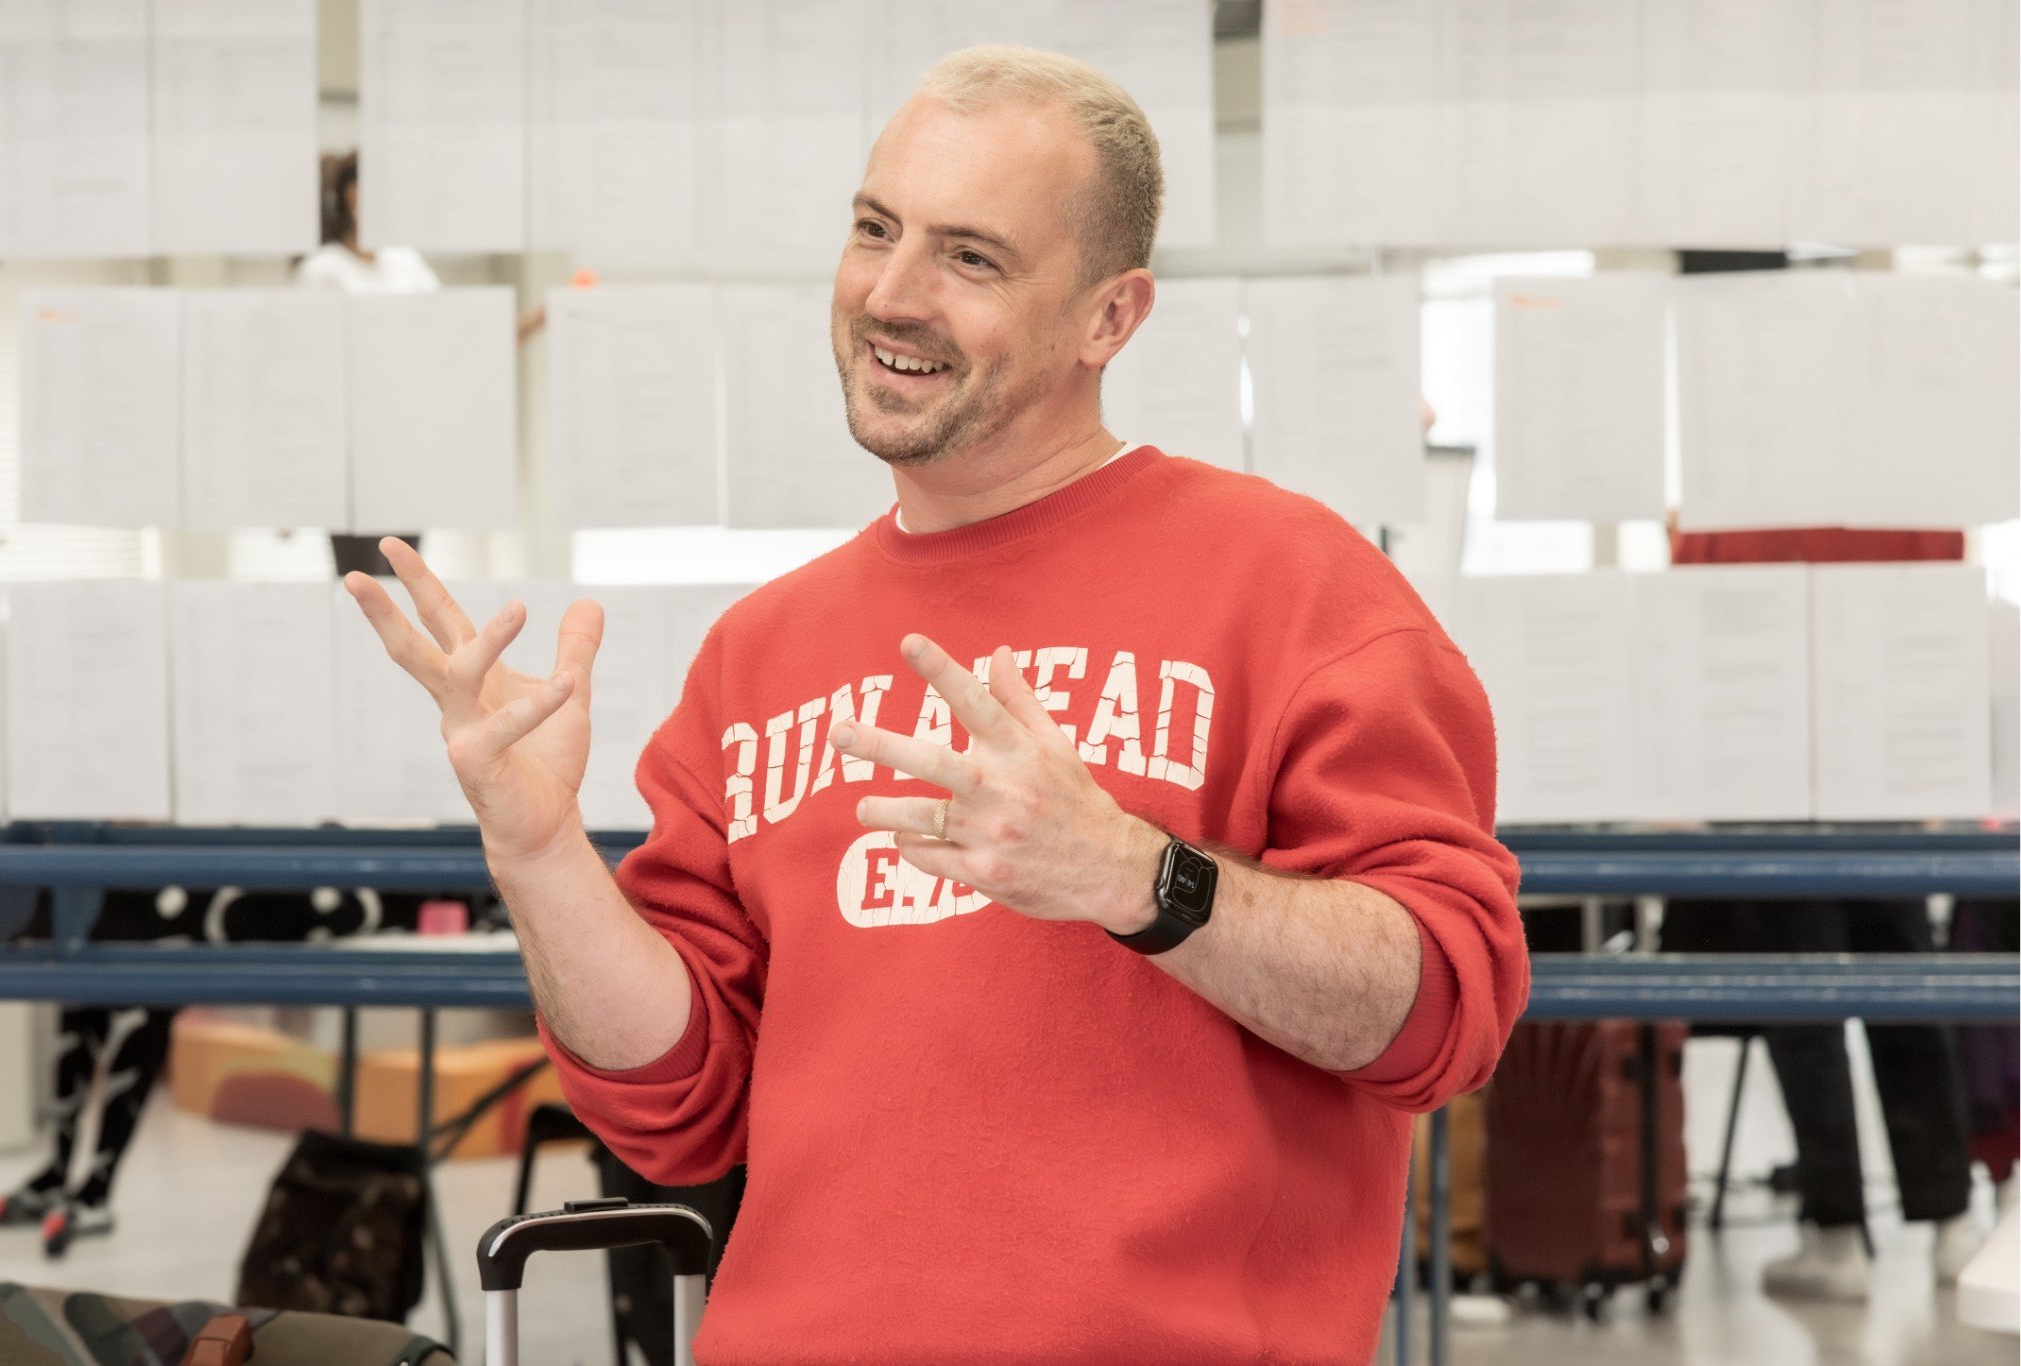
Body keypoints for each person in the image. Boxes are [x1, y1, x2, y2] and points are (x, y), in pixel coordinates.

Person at [344, 46, 1526, 1363]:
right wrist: (540, 850)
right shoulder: (759, 653)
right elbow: (676, 1108)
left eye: (972, 258)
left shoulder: (1299, 588)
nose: (889, 296)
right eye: (873, 229)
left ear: (1109, 318)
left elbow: (1443, 1013)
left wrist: (1137, 874)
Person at [1662, 522, 1986, 1300]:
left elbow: (1686, 617)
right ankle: (1951, 1226)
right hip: (1879, 768)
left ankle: (1836, 1235)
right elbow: (1942, 594)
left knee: (1805, 1012)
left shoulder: (1728, 498)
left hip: (1766, 770)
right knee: (1907, 997)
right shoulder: (1898, 485)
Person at [296, 150, 545, 578]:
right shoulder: (325, 271)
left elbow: (458, 341)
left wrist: (534, 321)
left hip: (410, 451)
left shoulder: (405, 264)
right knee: (362, 589)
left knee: (403, 585)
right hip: (354, 459)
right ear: (352, 194)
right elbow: (308, 374)